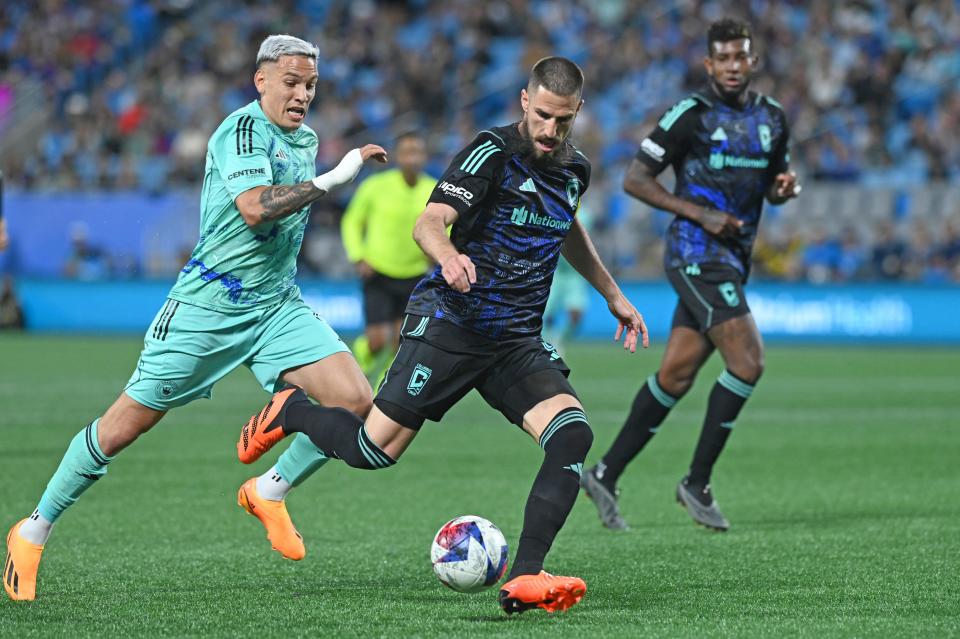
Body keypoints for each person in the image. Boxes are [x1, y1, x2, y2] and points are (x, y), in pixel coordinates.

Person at [236, 56, 648, 615]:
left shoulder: (575, 169)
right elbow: (429, 221)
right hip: (451, 324)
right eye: (544, 116)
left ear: (578, 113)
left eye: (564, 121)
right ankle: (292, 411)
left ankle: (526, 576)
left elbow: (567, 227)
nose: (551, 131)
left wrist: (611, 294)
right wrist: (450, 255)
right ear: (525, 102)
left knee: (571, 435)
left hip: (515, 341)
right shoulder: (490, 152)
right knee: (372, 451)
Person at [3, 34, 387, 602]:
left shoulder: (303, 140)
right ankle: (31, 531)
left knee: (356, 402)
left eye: (311, 84)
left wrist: (324, 176)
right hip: (210, 305)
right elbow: (255, 209)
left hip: (276, 304)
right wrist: (331, 181)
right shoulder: (242, 132)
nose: (303, 93)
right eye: (291, 82)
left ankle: (269, 490)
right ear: (261, 80)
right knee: (124, 426)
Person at [581, 19, 801, 532]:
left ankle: (605, 473)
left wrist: (783, 191)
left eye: (739, 58)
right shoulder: (690, 115)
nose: (731, 66)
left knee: (676, 374)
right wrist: (697, 213)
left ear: (752, 61)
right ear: (708, 64)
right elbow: (636, 179)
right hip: (695, 251)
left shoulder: (773, 118)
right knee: (748, 362)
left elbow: (774, 184)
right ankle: (696, 483)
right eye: (721, 58)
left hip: (733, 257)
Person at [340, 132, 436, 382]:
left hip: (415, 275)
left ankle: (380, 392)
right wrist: (358, 256)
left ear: (425, 157)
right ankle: (359, 363)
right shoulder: (375, 186)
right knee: (377, 341)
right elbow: (352, 221)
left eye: (418, 153)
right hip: (378, 271)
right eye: (407, 152)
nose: (412, 158)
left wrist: (438, 256)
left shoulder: (433, 190)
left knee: (401, 342)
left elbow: (443, 229)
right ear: (397, 157)